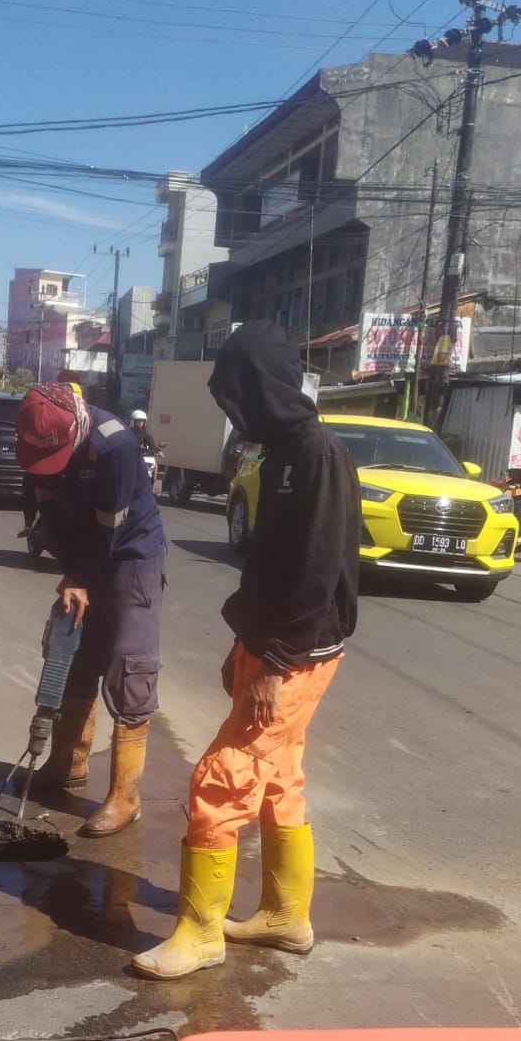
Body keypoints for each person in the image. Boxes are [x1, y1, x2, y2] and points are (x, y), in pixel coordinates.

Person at [134, 320, 360, 978]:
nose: (231, 410)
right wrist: (246, 645)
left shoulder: (315, 454)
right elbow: (269, 567)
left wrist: (276, 660)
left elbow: (315, 570)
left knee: (219, 780)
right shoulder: (283, 450)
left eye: (235, 395)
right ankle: (287, 916)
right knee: (276, 780)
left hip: (298, 650)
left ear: (260, 387)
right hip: (278, 645)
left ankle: (200, 933)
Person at [16, 383, 166, 836]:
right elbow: (47, 514)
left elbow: (109, 530)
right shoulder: (34, 440)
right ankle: (68, 764)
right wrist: (70, 574)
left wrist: (81, 577)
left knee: (127, 663)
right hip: (83, 550)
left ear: (78, 427)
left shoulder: (115, 445)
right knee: (75, 653)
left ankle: (126, 795)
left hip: (131, 552)